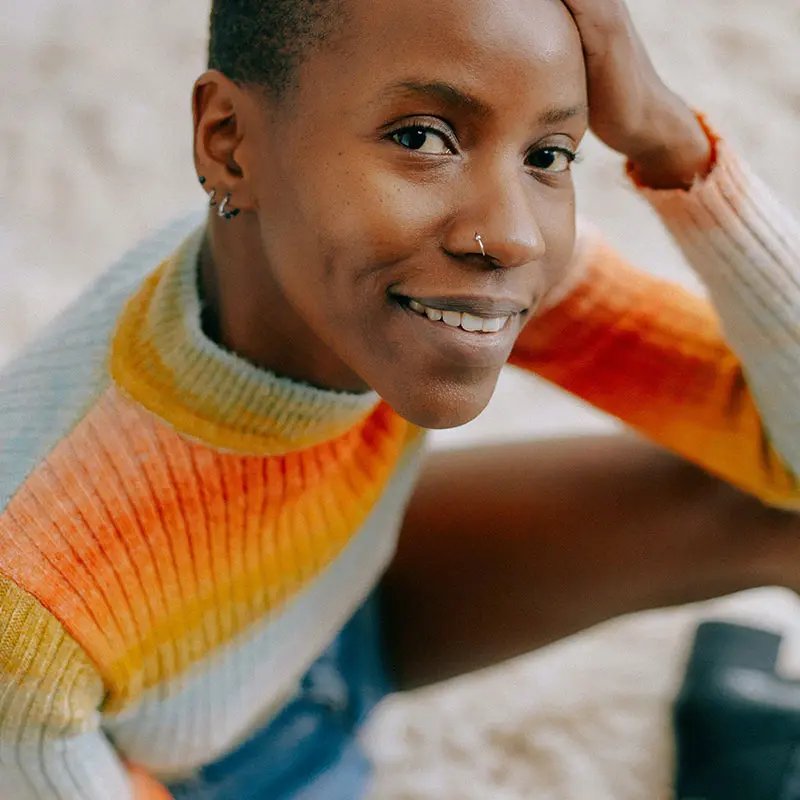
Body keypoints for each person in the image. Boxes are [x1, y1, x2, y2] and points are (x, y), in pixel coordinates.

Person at [1, 0, 798, 797]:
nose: (513, 235)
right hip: (196, 772)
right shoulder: (30, 597)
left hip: (336, 610)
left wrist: (671, 141)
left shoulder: (403, 268)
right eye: (421, 138)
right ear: (229, 141)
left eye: (549, 154)